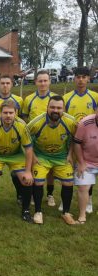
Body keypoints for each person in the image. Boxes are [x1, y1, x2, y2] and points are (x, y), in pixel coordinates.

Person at [27, 95, 77, 225]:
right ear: (47, 107)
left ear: (63, 109)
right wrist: (33, 156)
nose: (55, 110)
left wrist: (70, 154)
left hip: (61, 157)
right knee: (38, 182)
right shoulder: (36, 122)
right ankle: (38, 212)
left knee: (68, 182)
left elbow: (75, 138)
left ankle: (66, 212)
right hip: (41, 157)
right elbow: (25, 139)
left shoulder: (71, 122)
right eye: (52, 107)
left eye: (59, 108)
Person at [0, 100, 34, 223]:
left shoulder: (22, 125)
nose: (8, 115)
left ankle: (25, 211)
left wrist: (28, 171)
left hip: (15, 155)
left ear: (16, 113)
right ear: (0, 113)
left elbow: (28, 149)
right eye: (5, 112)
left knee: (27, 180)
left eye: (11, 112)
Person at [63, 66, 98, 214]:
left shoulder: (95, 97)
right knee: (69, 169)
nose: (81, 80)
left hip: (89, 140)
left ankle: (88, 199)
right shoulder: (67, 98)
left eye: (84, 77)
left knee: (87, 170)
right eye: (78, 77)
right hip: (71, 139)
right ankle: (66, 201)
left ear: (88, 79)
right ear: (74, 79)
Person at [22, 70, 57, 207]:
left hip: (52, 138)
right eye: (40, 80)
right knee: (32, 166)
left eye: (45, 80)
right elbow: (25, 118)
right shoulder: (29, 99)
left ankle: (50, 194)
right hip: (34, 141)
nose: (43, 83)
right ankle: (32, 194)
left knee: (51, 170)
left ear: (49, 81)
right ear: (36, 82)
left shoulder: (55, 98)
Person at [0, 75, 24, 205]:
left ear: (12, 84)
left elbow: (22, 121)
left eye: (7, 83)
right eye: (2, 83)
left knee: (16, 173)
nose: (5, 85)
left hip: (15, 143)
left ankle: (20, 195)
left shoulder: (19, 100)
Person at [73, 109, 98, 224]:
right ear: (96, 110)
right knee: (83, 187)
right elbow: (77, 143)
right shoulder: (85, 123)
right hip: (87, 161)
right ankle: (82, 215)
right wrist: (81, 163)